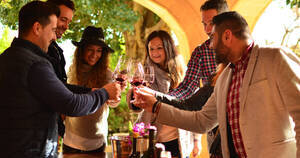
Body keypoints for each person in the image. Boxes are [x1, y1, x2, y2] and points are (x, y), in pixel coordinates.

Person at [133, 11, 300, 158]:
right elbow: (201, 120)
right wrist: (156, 107)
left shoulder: (275, 57)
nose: (210, 45)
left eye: (212, 37)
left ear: (227, 36)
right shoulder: (225, 77)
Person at [0, 1, 120, 157]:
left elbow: (56, 87)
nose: (54, 37)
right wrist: (104, 93)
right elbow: (72, 104)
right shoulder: (36, 64)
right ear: (37, 28)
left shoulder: (7, 57)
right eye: (52, 30)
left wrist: (90, 91)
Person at [167, 0, 229, 157]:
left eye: (212, 23)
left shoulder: (243, 48)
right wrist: (164, 99)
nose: (207, 29)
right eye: (204, 23)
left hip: (242, 125)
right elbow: (187, 87)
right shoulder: (201, 52)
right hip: (214, 128)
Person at [128, 30, 185, 157]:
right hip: (153, 138)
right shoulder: (146, 72)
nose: (154, 53)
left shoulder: (180, 72)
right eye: (151, 49)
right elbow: (135, 103)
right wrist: (135, 94)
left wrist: (197, 140)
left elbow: (191, 105)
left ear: (168, 48)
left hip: (178, 138)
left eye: (159, 48)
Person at [63, 26, 117, 153]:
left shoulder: (108, 74)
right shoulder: (71, 71)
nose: (95, 55)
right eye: (90, 50)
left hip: (97, 142)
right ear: (81, 50)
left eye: (99, 50)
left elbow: (114, 102)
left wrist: (116, 97)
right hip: (70, 141)